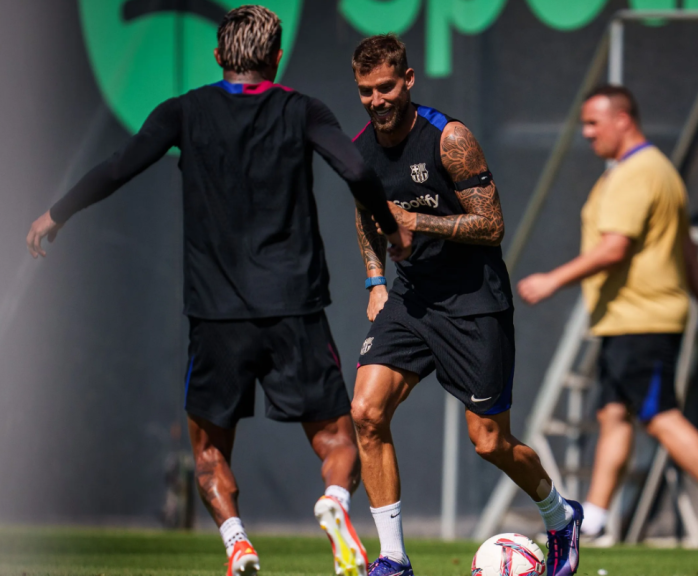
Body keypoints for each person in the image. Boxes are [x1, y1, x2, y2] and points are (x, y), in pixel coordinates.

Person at [25, 6, 412, 576]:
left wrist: (56, 214)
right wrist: (390, 225)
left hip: (216, 315)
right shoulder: (302, 109)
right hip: (294, 308)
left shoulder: (185, 112)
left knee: (208, 451)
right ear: (277, 58)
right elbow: (356, 170)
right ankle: (333, 503)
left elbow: (117, 167)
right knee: (338, 442)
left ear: (217, 56)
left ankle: (237, 542)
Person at [347, 34, 583, 576]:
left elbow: (492, 223)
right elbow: (366, 216)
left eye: (386, 87)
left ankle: (560, 514)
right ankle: (394, 559)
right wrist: (375, 279)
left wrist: (415, 220)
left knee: (489, 441)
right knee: (366, 411)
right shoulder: (359, 150)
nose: (377, 100)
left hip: (474, 301)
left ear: (407, 80)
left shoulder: (450, 138)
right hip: (411, 296)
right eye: (365, 91)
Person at [517, 85, 698, 550]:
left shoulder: (638, 173)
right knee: (613, 416)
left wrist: (552, 279)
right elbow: (688, 254)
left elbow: (614, 248)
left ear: (623, 120)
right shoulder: (660, 172)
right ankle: (595, 521)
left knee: (660, 415)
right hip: (629, 319)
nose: (587, 133)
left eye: (594, 123)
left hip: (642, 319)